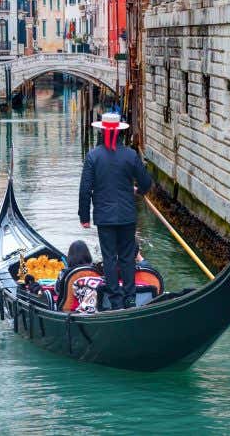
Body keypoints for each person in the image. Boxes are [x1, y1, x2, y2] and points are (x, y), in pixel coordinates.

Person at [78, 111, 152, 309]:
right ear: (119, 133)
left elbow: (85, 189)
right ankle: (130, 298)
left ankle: (116, 300)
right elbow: (146, 181)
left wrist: (84, 216)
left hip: (105, 217)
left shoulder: (93, 156)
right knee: (127, 257)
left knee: (109, 257)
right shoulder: (130, 155)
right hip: (127, 215)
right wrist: (140, 190)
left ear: (102, 132)